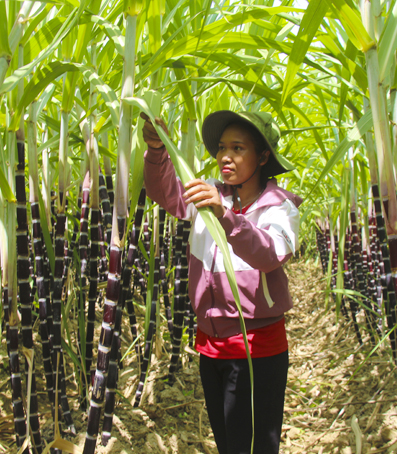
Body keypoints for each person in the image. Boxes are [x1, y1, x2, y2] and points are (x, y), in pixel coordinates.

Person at [142, 110, 302, 454]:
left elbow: (268, 255)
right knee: (229, 443)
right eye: (221, 147)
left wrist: (225, 217)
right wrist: (157, 150)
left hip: (256, 348)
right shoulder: (211, 194)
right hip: (210, 344)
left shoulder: (280, 207)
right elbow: (165, 193)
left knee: (255, 446)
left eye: (238, 148)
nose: (225, 156)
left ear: (262, 157)